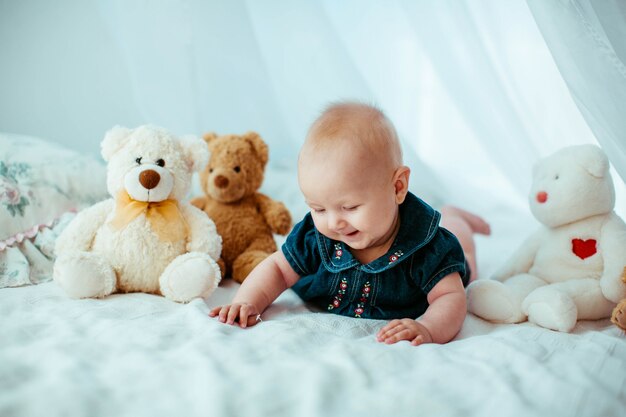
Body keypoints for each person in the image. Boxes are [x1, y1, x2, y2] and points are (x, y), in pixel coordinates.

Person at [209, 101, 490, 346]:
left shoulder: (428, 247)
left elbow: (449, 299)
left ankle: (455, 217)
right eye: (318, 208)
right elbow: (278, 269)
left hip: (439, 263)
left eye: (350, 207)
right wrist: (247, 302)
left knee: (466, 262)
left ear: (398, 187)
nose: (334, 223)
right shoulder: (314, 237)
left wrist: (428, 328)